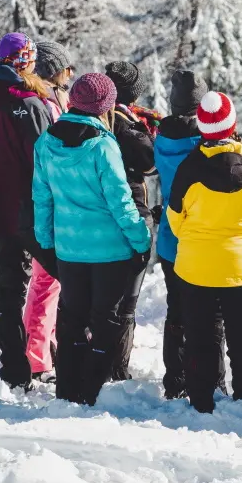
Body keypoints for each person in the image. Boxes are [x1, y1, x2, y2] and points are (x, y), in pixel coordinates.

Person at [31, 73, 154, 405]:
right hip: (109, 251)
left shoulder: (46, 142)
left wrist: (46, 242)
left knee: (71, 322)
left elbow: (42, 199)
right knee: (106, 322)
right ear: (104, 107)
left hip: (69, 250)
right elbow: (120, 201)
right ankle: (93, 392)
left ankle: (68, 390)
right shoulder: (103, 145)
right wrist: (141, 240)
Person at [165, 91, 242, 414]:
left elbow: (175, 220)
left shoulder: (188, 169)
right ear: (232, 124)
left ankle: (201, 401)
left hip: (195, 270)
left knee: (199, 337)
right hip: (239, 269)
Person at [0, 31, 55, 389]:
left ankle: (15, 371)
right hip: (29, 208)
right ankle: (59, 361)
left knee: (7, 289)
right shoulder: (29, 104)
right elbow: (46, 161)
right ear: (26, 62)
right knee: (66, 278)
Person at [153, 69, 227, 401]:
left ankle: (176, 379)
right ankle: (214, 379)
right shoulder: (202, 142)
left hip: (171, 238)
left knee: (177, 310)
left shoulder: (161, 138)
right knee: (211, 314)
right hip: (204, 238)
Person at [22, 38, 74, 381]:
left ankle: (44, 345)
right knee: (47, 280)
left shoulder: (51, 101)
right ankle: (37, 356)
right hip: (48, 204)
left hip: (50, 203)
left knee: (50, 281)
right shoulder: (44, 106)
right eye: (66, 69)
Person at [103, 60, 158, 381]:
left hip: (98, 214)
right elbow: (149, 161)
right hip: (130, 211)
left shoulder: (95, 116)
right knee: (126, 300)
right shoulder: (125, 124)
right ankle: (116, 369)